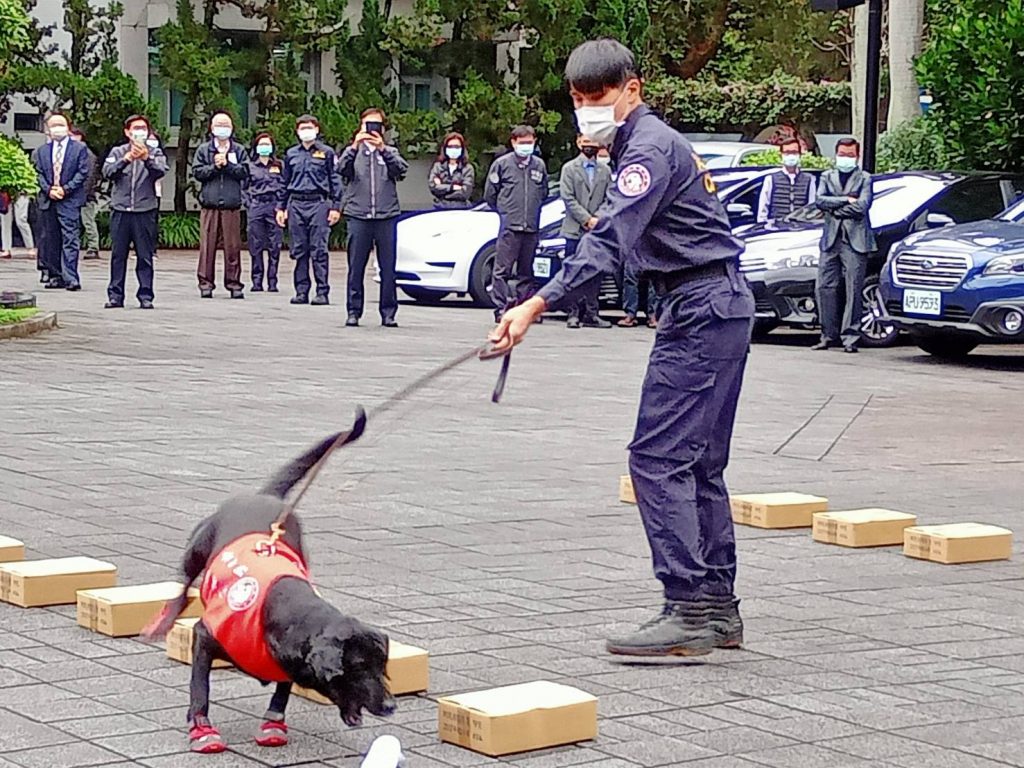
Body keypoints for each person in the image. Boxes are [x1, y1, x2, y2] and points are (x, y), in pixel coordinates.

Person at [489, 38, 754, 657]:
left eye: (599, 95)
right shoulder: (646, 145)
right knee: (698, 464)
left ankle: (689, 607)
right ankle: (717, 608)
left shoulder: (647, 151)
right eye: (578, 99)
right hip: (716, 304)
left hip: (701, 308)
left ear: (631, 89)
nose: (587, 109)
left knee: (657, 459)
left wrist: (535, 303)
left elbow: (608, 241)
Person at [338, 108, 409, 327]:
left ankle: (388, 312)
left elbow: (401, 171)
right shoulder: (353, 152)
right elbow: (341, 169)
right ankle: (353, 311)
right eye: (367, 124)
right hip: (358, 214)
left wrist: (383, 149)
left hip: (386, 215)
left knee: (388, 268)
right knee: (356, 267)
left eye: (376, 125)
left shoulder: (390, 151)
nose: (371, 129)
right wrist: (354, 145)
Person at [813, 137, 875, 353]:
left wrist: (835, 208)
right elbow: (819, 200)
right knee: (824, 287)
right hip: (830, 239)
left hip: (855, 240)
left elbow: (862, 206)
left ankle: (850, 337)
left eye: (850, 155)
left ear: (857, 156)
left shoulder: (865, 178)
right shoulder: (826, 176)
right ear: (836, 154)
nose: (845, 158)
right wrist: (846, 200)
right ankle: (827, 335)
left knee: (854, 289)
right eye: (842, 154)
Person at [484, 125, 549, 322]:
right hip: (510, 226)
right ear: (513, 142)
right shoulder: (502, 164)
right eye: (522, 143)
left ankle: (525, 309)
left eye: (529, 142)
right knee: (502, 270)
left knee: (526, 271)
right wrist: (506, 212)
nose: (526, 146)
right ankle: (501, 308)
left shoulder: (539, 165)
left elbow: (543, 193)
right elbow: (490, 194)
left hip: (531, 226)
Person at [102, 114, 167, 309]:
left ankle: (146, 295)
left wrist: (146, 158)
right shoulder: (118, 151)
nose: (140, 132)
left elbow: (160, 171)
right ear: (127, 132)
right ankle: (115, 296)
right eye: (136, 128)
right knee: (118, 255)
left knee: (145, 255)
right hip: (121, 209)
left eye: (143, 129)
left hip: (144, 210)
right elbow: (108, 172)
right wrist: (126, 159)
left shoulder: (155, 152)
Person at [276, 115, 342, 306]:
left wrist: (336, 207)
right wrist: (281, 208)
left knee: (319, 249)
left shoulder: (327, 153)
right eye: (302, 128)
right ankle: (301, 291)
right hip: (296, 203)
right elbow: (284, 182)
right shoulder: (291, 154)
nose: (306, 131)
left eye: (310, 127)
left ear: (317, 130)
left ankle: (322, 291)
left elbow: (335, 180)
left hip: (318, 203)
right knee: (299, 249)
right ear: (297, 132)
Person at [559, 134, 613, 329]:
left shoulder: (605, 170)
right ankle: (573, 313)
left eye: (593, 142)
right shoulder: (569, 168)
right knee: (573, 272)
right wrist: (586, 219)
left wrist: (597, 218)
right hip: (574, 229)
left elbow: (610, 198)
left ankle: (592, 313)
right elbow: (568, 197)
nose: (590, 146)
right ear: (578, 142)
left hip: (596, 231)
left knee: (594, 273)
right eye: (586, 142)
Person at [193, 112, 249, 299]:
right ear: (212, 128)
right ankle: (205, 283)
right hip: (210, 205)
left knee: (232, 247)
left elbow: (244, 172)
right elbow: (197, 172)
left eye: (226, 125)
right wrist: (215, 167)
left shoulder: (239, 150)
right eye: (219, 125)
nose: (222, 129)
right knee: (207, 247)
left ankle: (234, 283)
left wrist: (228, 165)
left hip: (231, 206)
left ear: (232, 128)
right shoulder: (204, 150)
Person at [34, 113, 90, 290]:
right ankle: (55, 275)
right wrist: (49, 189)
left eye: (61, 124)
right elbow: (38, 173)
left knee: (70, 238)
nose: (57, 128)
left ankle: (71, 277)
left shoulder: (79, 149)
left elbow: (82, 173)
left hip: (70, 200)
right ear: (47, 129)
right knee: (50, 239)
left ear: (68, 127)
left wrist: (65, 189)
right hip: (48, 200)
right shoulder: (41, 151)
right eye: (53, 125)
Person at [245, 132, 284, 292]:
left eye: (267, 144)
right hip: (257, 205)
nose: (264, 147)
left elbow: (284, 187)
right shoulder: (250, 166)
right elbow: (243, 188)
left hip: (274, 206)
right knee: (256, 244)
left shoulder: (279, 165)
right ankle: (257, 281)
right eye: (261, 144)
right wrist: (249, 204)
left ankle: (272, 281)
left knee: (275, 245)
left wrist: (281, 207)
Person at [756, 137, 816, 223]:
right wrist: (762, 225)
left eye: (794, 152)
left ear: (800, 154)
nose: (791, 155)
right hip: (776, 226)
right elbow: (763, 209)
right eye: (787, 152)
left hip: (800, 227)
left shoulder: (809, 180)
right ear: (781, 155)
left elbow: (811, 208)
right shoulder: (771, 179)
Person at [428, 133, 475, 209]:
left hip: (461, 209)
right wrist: (452, 187)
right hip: (440, 208)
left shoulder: (468, 168)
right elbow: (433, 188)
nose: (453, 149)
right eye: (450, 146)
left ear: (462, 149)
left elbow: (465, 193)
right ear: (445, 148)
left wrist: (443, 190)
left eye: (457, 147)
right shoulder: (438, 166)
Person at [1, 192, 35, 260]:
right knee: (5, 221)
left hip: (21, 191)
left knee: (21, 220)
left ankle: (30, 247)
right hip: (4, 192)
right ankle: (6, 249)